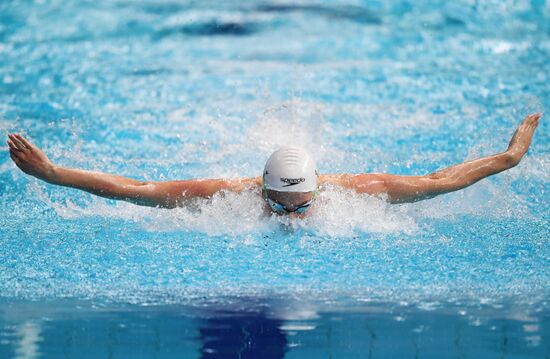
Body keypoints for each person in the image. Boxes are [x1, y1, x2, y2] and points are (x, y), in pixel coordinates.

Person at [6, 113, 541, 217]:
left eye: (299, 208)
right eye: (278, 208)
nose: (289, 219)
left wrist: (509, 158)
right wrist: (54, 174)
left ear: (317, 193)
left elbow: (438, 182)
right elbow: (140, 189)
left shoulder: (357, 192)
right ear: (259, 190)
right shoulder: (226, 193)